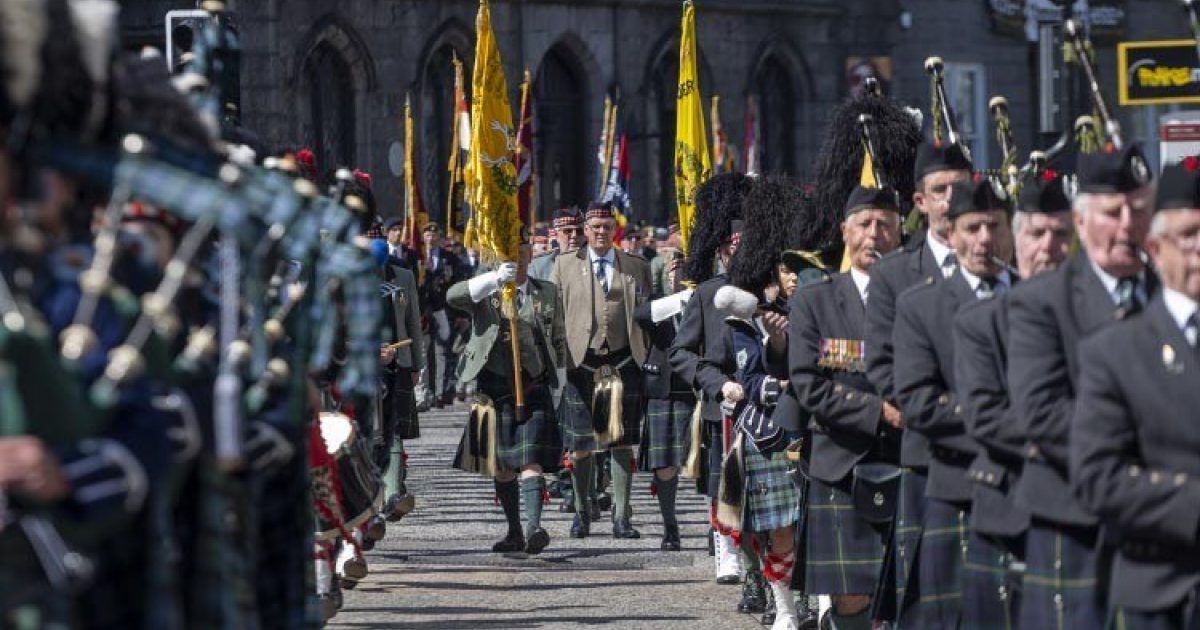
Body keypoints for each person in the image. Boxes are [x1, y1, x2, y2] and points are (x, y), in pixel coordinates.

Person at [1007, 145, 1156, 629]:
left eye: (1139, 211)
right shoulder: (1041, 301)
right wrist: (1150, 455)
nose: (1127, 226)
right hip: (1075, 521)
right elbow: (1042, 411)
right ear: (1082, 221)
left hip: (1168, 524)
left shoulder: (1174, 294)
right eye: (1113, 212)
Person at [1072, 160, 1200, 629]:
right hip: (1164, 590)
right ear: (1155, 249)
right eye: (1189, 236)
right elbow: (1098, 478)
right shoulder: (1116, 351)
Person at [952, 170, 1075, 628]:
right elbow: (986, 416)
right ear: (1017, 242)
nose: (1048, 248)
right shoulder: (979, 322)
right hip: (1013, 498)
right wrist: (1089, 441)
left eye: (1061, 235)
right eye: (1037, 234)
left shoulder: (1110, 311)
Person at [864, 141, 972, 624]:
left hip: (997, 455)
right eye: (940, 190)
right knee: (929, 602)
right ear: (920, 201)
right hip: (928, 451)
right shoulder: (895, 273)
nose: (951, 199)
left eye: (960, 188)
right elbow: (881, 364)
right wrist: (934, 408)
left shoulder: (1000, 263)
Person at [790, 186, 903, 630]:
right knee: (852, 594)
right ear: (845, 231)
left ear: (899, 233)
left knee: (913, 588)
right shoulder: (815, 300)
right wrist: (879, 411)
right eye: (865, 224)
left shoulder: (922, 296)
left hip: (911, 459)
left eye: (885, 225)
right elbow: (807, 384)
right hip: (841, 464)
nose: (874, 235)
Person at [714, 176, 814, 630]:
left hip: (819, 425)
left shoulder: (820, 304)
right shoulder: (748, 318)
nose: (792, 277)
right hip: (771, 430)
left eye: (799, 268)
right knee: (779, 530)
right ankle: (787, 610)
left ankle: (820, 605)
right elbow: (751, 379)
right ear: (771, 271)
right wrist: (777, 350)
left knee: (816, 524)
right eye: (785, 269)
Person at [448, 232, 566, 555]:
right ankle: (514, 530)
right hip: (494, 385)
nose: (517, 256)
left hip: (533, 384)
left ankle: (534, 528)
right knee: (502, 466)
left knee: (531, 459)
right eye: (510, 251)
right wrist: (492, 279)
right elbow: (453, 296)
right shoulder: (488, 288)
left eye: (522, 250)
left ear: (530, 254)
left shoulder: (547, 291)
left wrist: (561, 381)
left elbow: (558, 339)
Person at [667, 173, 755, 596]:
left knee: (763, 485)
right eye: (732, 248)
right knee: (724, 482)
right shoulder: (706, 293)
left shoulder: (768, 291)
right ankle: (727, 550)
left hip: (763, 398)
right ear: (721, 251)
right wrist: (716, 383)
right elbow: (681, 352)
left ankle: (760, 566)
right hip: (723, 401)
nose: (738, 254)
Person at [551, 201, 652, 540]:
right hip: (582, 362)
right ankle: (582, 511)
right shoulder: (564, 265)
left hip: (623, 361)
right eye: (594, 227)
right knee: (581, 444)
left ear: (614, 230)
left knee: (620, 441)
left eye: (607, 227)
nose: (601, 233)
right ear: (585, 230)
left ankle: (622, 517)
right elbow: (554, 314)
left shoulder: (636, 266)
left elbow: (647, 314)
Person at [633, 250, 693, 551]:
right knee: (664, 465)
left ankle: (717, 528)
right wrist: (677, 299)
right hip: (663, 388)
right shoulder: (658, 302)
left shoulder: (704, 297)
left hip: (696, 388)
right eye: (671, 269)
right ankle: (670, 527)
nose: (676, 274)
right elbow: (640, 316)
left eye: (681, 267)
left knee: (705, 464)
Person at [417, 222, 467, 409]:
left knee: (442, 352)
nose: (431, 238)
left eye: (434, 235)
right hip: (424, 311)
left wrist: (461, 313)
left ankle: (440, 392)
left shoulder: (450, 258)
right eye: (427, 235)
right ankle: (426, 392)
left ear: (439, 237)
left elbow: (458, 285)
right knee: (424, 353)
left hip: (445, 311)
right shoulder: (418, 256)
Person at [529, 207, 583, 281]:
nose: (574, 235)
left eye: (579, 231)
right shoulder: (539, 266)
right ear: (556, 235)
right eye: (568, 231)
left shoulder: (593, 261)